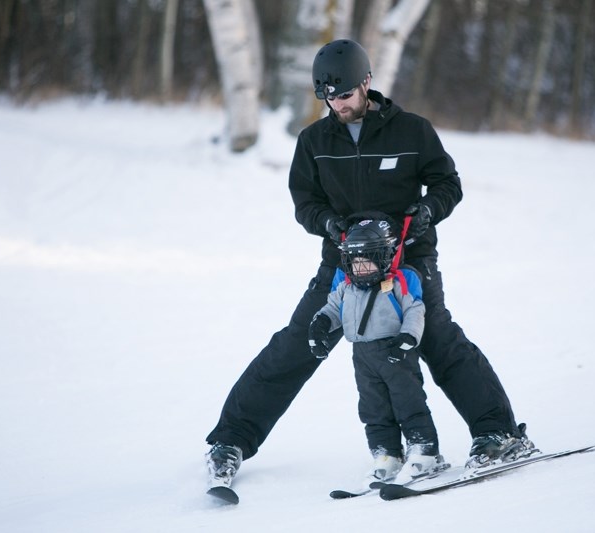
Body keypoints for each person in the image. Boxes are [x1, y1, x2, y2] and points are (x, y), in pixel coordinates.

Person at [206, 38, 534, 490]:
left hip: (409, 261)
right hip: (344, 264)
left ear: (365, 84)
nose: (336, 104)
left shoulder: (412, 131)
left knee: (436, 336)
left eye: (343, 94)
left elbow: (447, 184)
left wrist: (425, 214)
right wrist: (331, 225)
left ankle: (496, 433)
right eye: (327, 97)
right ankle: (230, 443)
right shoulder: (314, 141)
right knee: (298, 343)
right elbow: (305, 203)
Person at [308, 214, 446, 486]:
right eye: (354, 263)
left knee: (408, 401)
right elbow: (332, 309)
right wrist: (320, 326)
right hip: (362, 357)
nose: (359, 269)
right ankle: (386, 454)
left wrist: (408, 337)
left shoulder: (398, 281)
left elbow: (415, 309)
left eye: (366, 261)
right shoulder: (346, 286)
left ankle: (424, 450)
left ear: (382, 257)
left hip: (395, 353)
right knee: (373, 408)